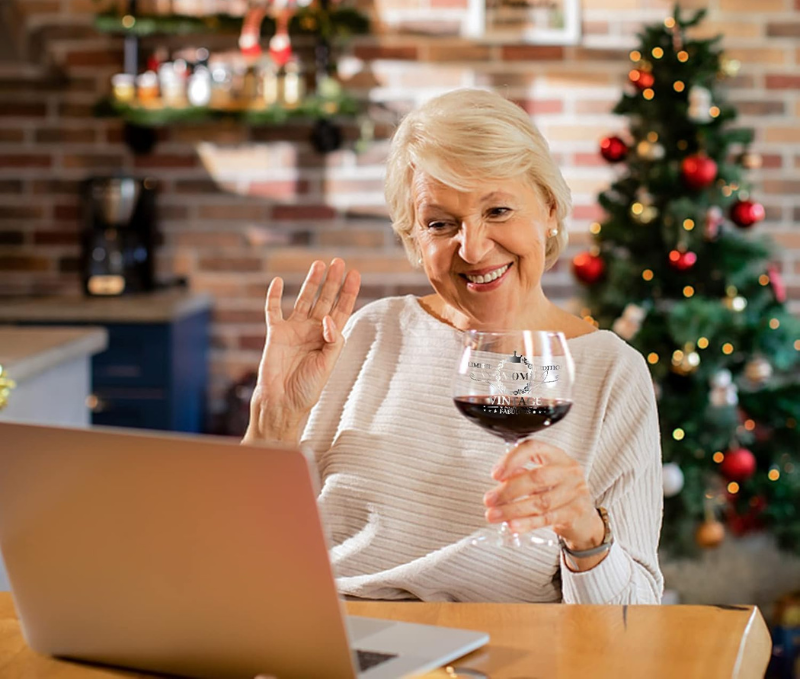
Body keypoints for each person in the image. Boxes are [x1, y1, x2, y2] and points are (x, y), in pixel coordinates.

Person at [244, 88, 663, 604]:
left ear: (550, 210)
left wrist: (584, 532)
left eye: (499, 210)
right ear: (415, 238)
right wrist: (272, 420)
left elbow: (634, 620)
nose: (473, 247)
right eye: (440, 224)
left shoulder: (610, 372)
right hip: (337, 640)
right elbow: (245, 557)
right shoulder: (367, 336)